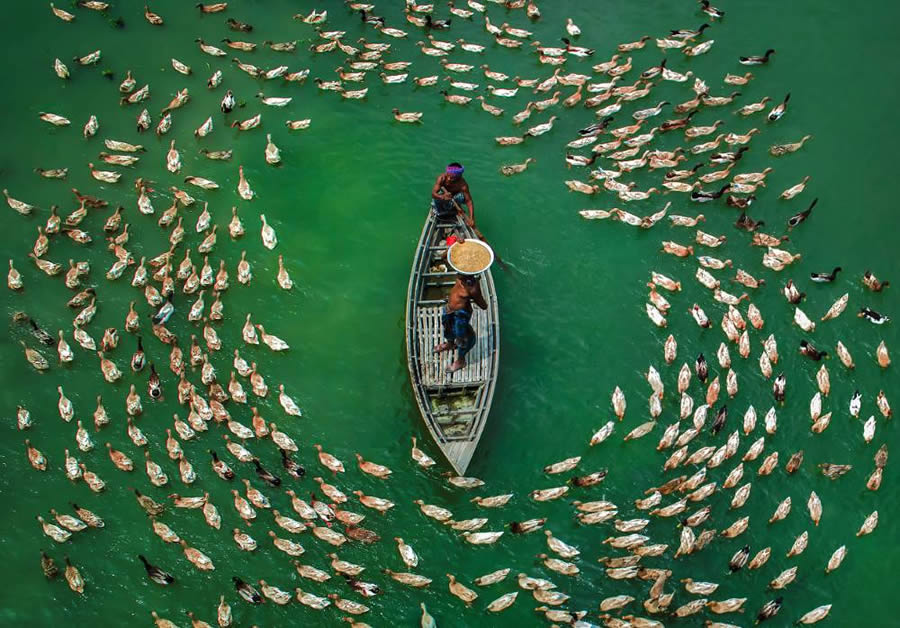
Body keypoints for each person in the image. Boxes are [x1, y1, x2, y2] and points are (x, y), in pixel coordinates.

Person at [435, 273, 487, 372]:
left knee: (461, 337)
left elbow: (483, 305)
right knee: (447, 328)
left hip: (461, 315)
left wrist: (482, 301)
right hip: (449, 309)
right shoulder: (460, 275)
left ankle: (461, 361)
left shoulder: (472, 287)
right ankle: (450, 344)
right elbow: (446, 258)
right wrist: (446, 256)